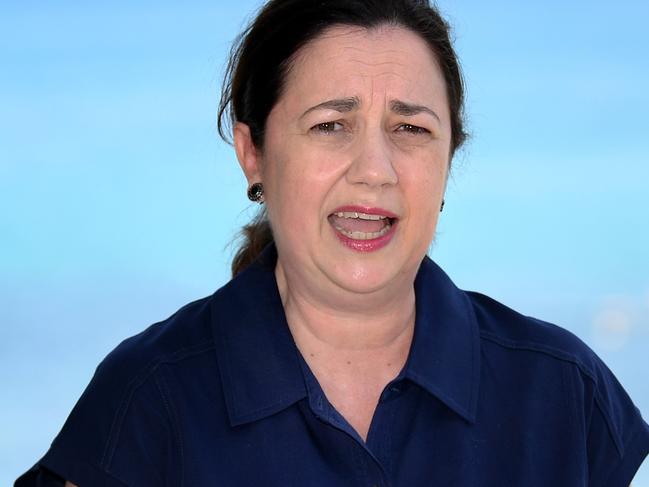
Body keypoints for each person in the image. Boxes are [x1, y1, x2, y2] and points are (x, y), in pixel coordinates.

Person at [15, 0, 649, 485]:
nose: (374, 168)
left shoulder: (563, 390)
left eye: (410, 128)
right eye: (330, 125)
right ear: (253, 153)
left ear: (449, 160)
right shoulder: (148, 398)